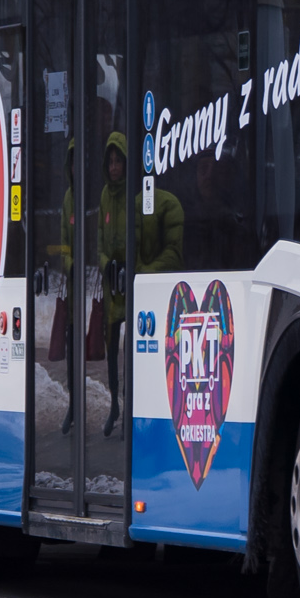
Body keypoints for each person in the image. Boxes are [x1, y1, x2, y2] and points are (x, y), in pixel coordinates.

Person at [85, 131, 184, 437]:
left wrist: (134, 268)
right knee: (111, 347)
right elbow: (100, 243)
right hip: (111, 284)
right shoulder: (104, 196)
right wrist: (106, 264)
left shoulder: (137, 197)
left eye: (119, 161)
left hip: (132, 283)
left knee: (134, 349)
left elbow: (140, 239)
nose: (114, 167)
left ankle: (130, 407)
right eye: (111, 161)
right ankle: (114, 403)